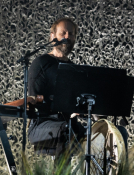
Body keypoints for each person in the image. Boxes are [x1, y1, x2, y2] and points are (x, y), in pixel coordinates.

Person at [28, 18, 85, 161]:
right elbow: (34, 103)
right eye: (63, 33)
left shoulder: (73, 69)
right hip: (41, 125)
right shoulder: (41, 63)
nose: (67, 37)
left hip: (68, 124)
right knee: (67, 130)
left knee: (108, 133)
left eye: (71, 34)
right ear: (53, 36)